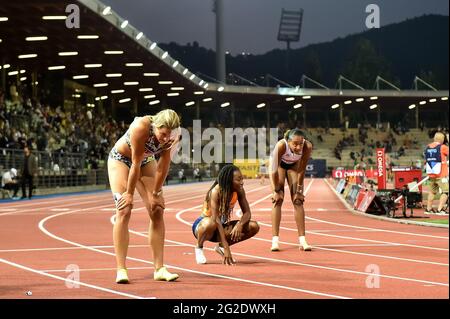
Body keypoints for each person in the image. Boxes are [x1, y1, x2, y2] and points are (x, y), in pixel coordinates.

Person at [107, 109, 181, 283]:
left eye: (168, 135)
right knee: (124, 209)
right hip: (122, 159)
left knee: (157, 209)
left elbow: (163, 165)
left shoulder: (173, 134)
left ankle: (159, 269)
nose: (164, 139)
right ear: (156, 126)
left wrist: (156, 193)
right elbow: (135, 163)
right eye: (162, 134)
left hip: (146, 161)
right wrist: (130, 194)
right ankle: (121, 269)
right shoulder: (141, 126)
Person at [192, 164, 260, 265]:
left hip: (220, 227)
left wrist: (240, 224)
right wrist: (226, 246)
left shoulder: (239, 190)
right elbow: (216, 220)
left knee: (254, 226)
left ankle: (220, 247)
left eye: (242, 179)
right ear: (229, 181)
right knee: (210, 223)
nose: (242, 182)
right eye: (238, 180)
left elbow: (247, 213)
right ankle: (199, 247)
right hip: (204, 226)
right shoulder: (216, 191)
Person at [269, 129, 313, 252]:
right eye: (295, 144)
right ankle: (275, 240)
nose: (298, 147)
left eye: (300, 143)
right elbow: (273, 171)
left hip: (294, 167)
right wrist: (275, 190)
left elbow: (302, 170)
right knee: (278, 199)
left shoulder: (307, 146)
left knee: (298, 200)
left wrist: (299, 190)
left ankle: (303, 240)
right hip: (279, 167)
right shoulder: (281, 146)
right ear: (288, 142)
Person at [424, 132, 448, 215]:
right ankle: (440, 209)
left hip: (431, 174)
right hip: (441, 174)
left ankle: (428, 209)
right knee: (446, 191)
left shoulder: (427, 147)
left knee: (432, 192)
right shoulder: (443, 147)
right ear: (442, 139)